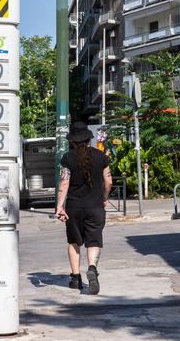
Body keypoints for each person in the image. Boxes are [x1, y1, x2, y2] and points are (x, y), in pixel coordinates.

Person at [55, 122, 113, 295]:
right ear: (89, 139)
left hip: (74, 208)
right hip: (95, 207)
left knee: (74, 242)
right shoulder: (101, 156)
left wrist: (59, 206)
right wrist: (104, 198)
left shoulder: (67, 158)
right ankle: (92, 268)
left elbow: (64, 183)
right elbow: (109, 182)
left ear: (72, 141)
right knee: (94, 241)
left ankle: (75, 279)